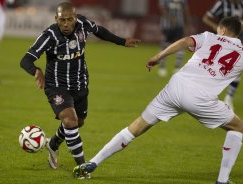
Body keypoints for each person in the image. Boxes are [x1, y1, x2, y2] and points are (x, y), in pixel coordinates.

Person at [73, 16, 243, 184]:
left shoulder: (209, 36)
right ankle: (223, 180)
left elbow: (185, 41)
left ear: (222, 29)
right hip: (201, 98)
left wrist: (159, 56)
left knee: (136, 127)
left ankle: (93, 162)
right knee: (238, 128)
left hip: (176, 86)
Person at [20, 2, 140, 178]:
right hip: (57, 87)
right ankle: (82, 169)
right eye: (62, 20)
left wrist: (122, 41)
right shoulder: (49, 35)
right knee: (70, 121)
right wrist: (36, 71)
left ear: (75, 18)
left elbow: (99, 30)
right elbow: (25, 60)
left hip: (80, 84)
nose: (66, 24)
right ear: (56, 19)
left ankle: (53, 144)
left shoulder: (83, 24)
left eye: (70, 19)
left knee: (78, 122)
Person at [202, 0, 243, 110]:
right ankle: (207, 96)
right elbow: (206, 18)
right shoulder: (221, 3)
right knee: (215, 68)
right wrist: (218, 28)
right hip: (223, 41)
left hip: (239, 41)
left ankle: (229, 97)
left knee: (237, 69)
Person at [158, 0, 192, 77]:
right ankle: (162, 67)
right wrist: (170, 18)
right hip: (167, 26)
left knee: (181, 45)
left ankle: (177, 67)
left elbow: (185, 11)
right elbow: (163, 9)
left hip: (179, 26)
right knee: (164, 45)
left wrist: (188, 24)